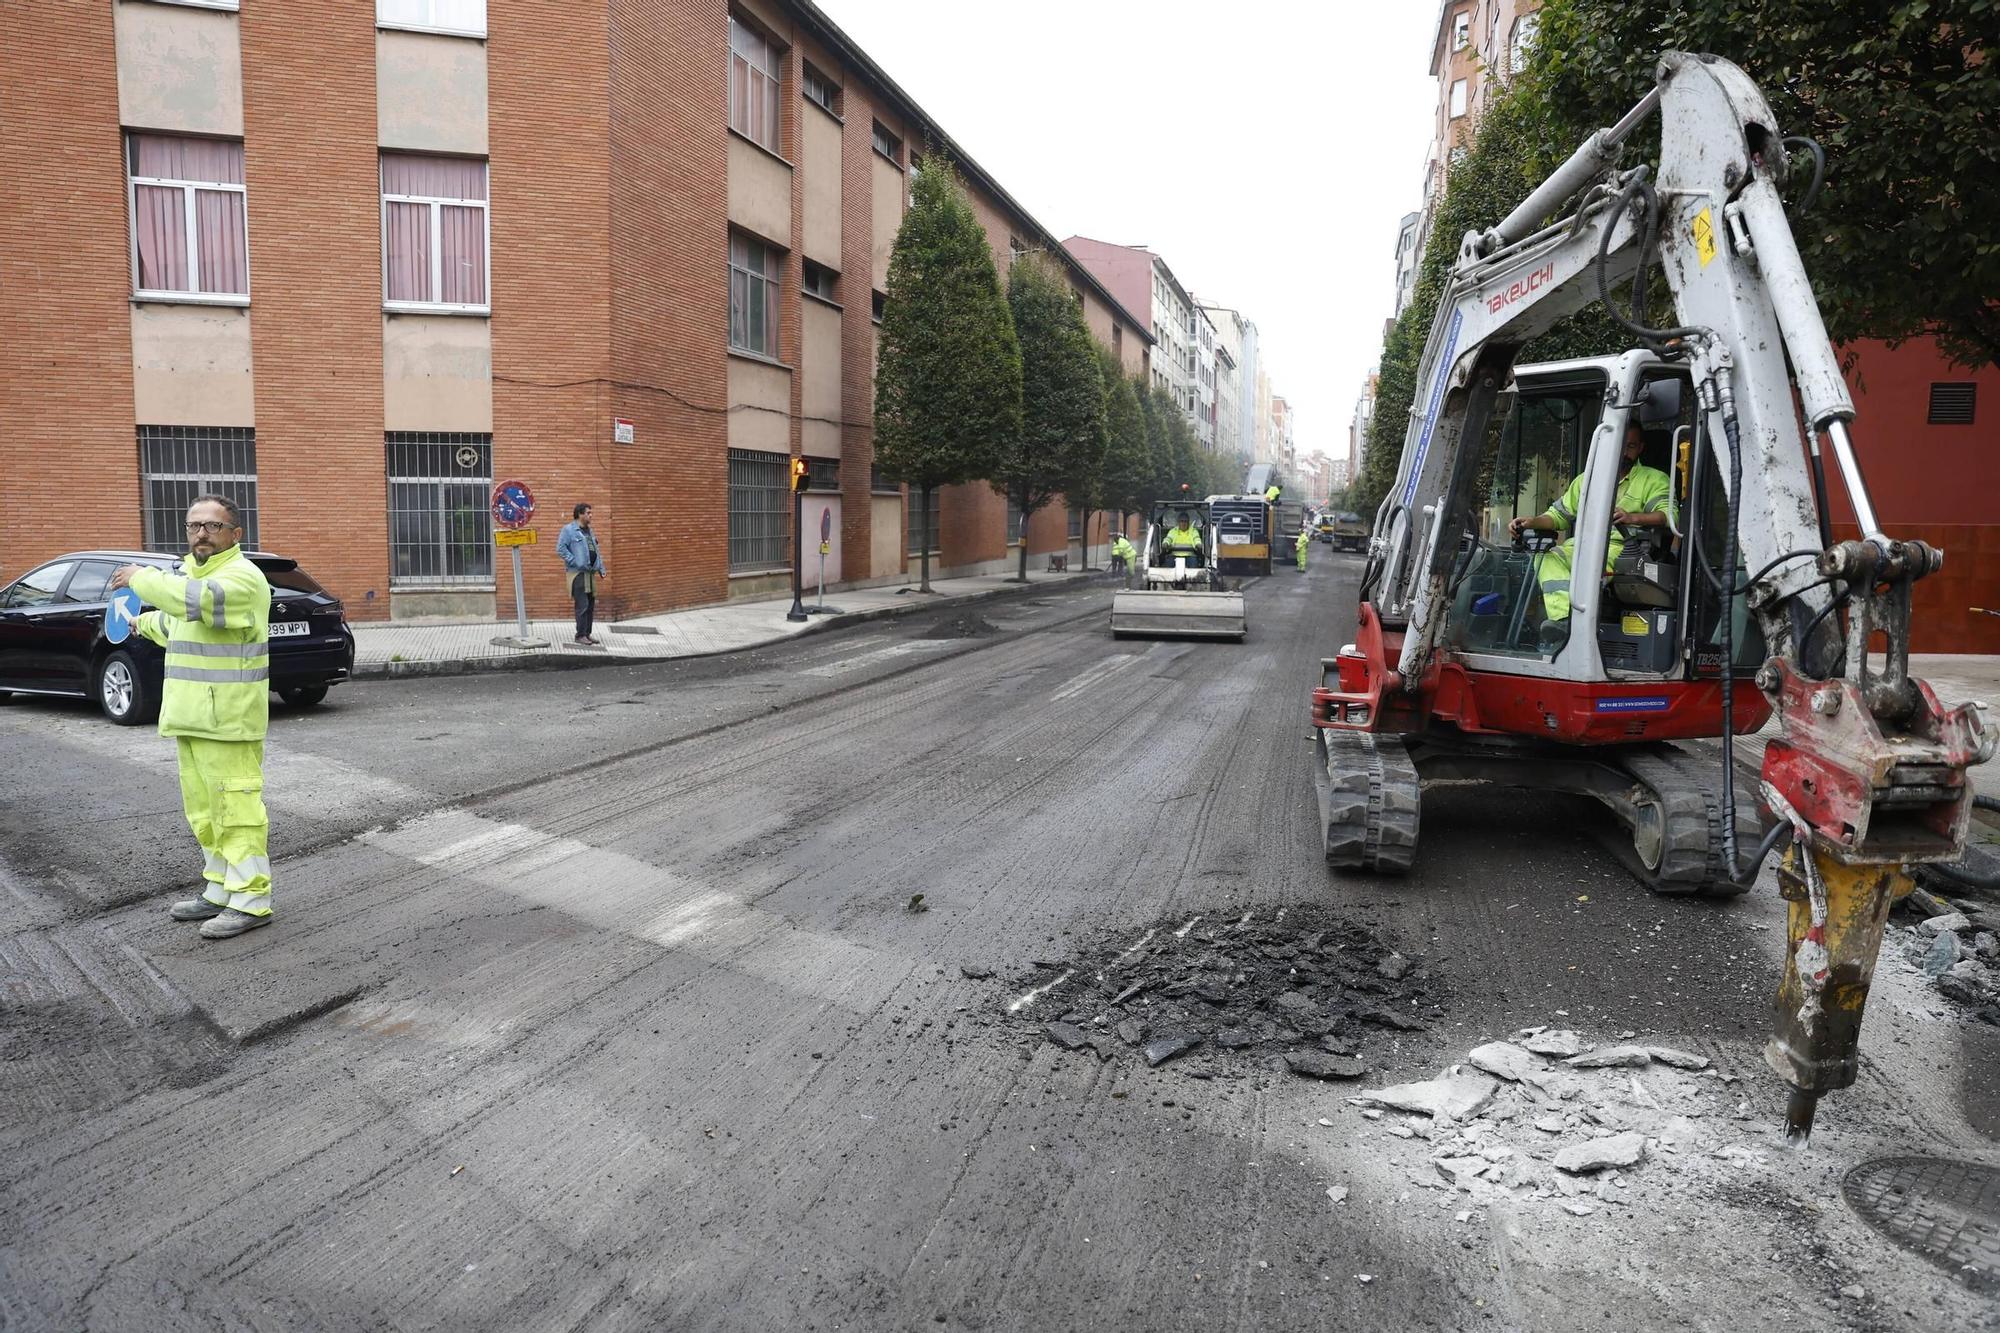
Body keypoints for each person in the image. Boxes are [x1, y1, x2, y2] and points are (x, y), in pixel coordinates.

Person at [109, 495, 274, 940]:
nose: (202, 533)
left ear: (235, 534)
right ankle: (220, 889)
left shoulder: (242, 578)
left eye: (213, 526)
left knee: (236, 812)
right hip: (192, 719)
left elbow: (194, 603)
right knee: (204, 813)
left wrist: (140, 577)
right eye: (194, 525)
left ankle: (251, 900)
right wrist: (138, 623)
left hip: (228, 723)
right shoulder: (191, 580)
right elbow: (176, 624)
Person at [1508, 422, 1672, 622]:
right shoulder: (1586, 480)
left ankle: (1573, 624)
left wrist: (1632, 518)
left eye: (1630, 446)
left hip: (1623, 549)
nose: (1623, 453)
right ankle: (1563, 620)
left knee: (1589, 562)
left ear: (1640, 448)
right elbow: (1558, 516)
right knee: (1546, 556)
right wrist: (1531, 522)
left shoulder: (1654, 479)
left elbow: (1667, 516)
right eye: (1619, 445)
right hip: (1582, 546)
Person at [557, 502, 608, 645]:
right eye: (588, 513)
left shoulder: (589, 531)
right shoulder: (568, 530)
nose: (591, 515)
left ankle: (587, 634)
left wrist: (601, 569)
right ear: (580, 514)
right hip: (577, 574)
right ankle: (580, 635)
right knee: (582, 605)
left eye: (591, 513)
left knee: (590, 605)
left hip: (590, 573)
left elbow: (595, 550)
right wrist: (575, 561)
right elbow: (560, 549)